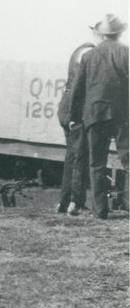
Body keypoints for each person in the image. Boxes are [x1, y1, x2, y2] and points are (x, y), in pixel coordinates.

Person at [69, 13, 129, 219]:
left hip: (94, 114)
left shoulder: (88, 56)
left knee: (96, 162)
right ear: (119, 33)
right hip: (121, 114)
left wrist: (73, 116)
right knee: (128, 159)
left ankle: (100, 210)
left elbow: (77, 90)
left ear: (101, 35)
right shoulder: (125, 52)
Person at [56, 23, 100, 215]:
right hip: (77, 107)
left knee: (72, 156)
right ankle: (75, 202)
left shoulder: (80, 50)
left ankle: (64, 202)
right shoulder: (90, 53)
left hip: (67, 106)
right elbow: (81, 88)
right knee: (80, 156)